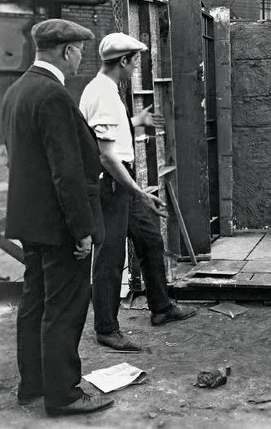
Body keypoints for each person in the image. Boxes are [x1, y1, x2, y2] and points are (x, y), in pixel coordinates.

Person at [1, 19, 114, 415]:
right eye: (80, 50)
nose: (81, 57)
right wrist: (82, 230)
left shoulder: (17, 91)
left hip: (31, 222)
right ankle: (63, 394)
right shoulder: (54, 96)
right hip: (59, 225)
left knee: (34, 303)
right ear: (67, 51)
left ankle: (32, 385)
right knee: (64, 308)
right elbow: (66, 170)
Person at [79, 32, 196, 352]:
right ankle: (106, 327)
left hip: (122, 182)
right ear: (123, 61)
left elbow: (108, 131)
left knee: (149, 238)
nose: (135, 69)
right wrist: (139, 191)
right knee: (110, 256)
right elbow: (104, 154)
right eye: (134, 62)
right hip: (112, 183)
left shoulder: (104, 90)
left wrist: (136, 120)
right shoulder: (102, 93)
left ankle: (161, 308)